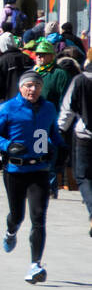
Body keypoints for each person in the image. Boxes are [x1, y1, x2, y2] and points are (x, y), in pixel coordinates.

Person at [0, 70, 63, 283]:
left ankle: (34, 265)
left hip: (39, 171)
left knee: (39, 219)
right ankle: (11, 232)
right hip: (15, 171)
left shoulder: (48, 108)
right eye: (28, 85)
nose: (33, 89)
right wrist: (8, 145)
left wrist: (58, 149)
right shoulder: (8, 108)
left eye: (37, 86)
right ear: (21, 87)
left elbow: (53, 134)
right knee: (17, 215)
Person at [58, 55, 92, 235]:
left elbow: (68, 107)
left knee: (83, 176)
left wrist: (60, 129)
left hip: (84, 134)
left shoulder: (80, 80)